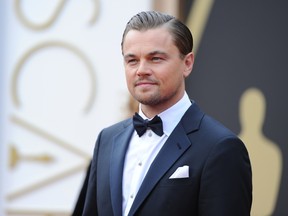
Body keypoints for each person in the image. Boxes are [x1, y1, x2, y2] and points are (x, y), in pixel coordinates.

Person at [82, 11, 252, 216]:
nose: (141, 70)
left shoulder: (220, 148)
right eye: (132, 60)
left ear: (187, 64)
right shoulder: (107, 140)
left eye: (155, 58)